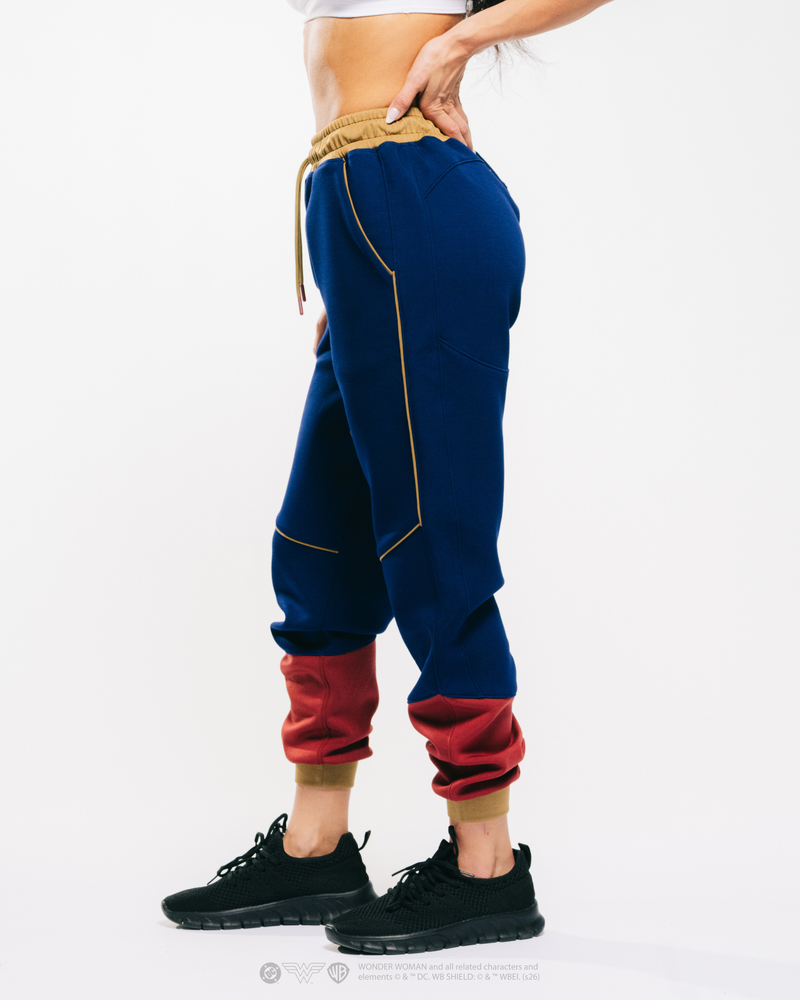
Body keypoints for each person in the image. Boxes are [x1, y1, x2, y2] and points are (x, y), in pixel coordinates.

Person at [161, 0, 613, 954]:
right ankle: (316, 846)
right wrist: (357, 268)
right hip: (364, 219)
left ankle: (486, 865)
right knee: (318, 547)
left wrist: (460, 41)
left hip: (407, 199)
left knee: (433, 544)